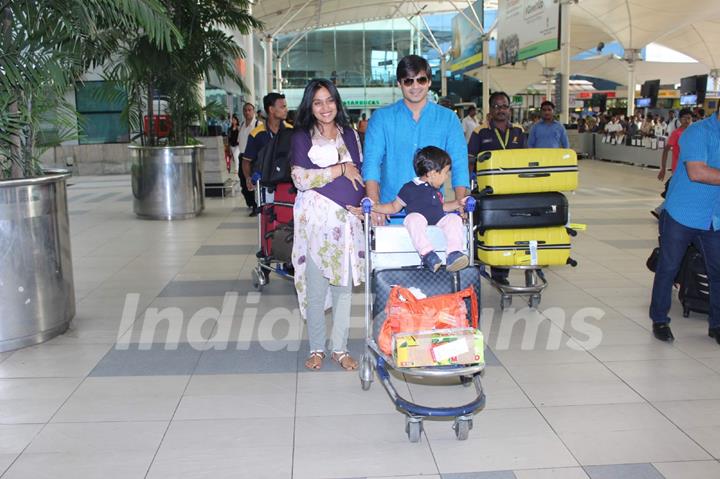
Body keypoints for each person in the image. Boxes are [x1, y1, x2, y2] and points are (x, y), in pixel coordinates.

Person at [290, 78, 366, 371]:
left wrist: (362, 205)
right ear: (310, 105)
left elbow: (359, 172)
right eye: (318, 102)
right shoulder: (301, 135)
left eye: (330, 100)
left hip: (348, 225)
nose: (325, 107)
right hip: (316, 225)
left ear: (337, 102)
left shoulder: (350, 134)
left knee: (343, 290)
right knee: (316, 287)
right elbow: (300, 179)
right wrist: (340, 169)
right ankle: (317, 348)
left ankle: (340, 349)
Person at [363, 54, 469, 227]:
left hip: (434, 215)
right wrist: (375, 206)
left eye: (421, 80)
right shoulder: (381, 118)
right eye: (408, 81)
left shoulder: (448, 119)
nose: (415, 86)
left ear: (428, 82)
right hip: (392, 216)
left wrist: (461, 202)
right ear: (399, 83)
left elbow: (459, 164)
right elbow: (371, 164)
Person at [649, 106, 720, 344]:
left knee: (717, 271)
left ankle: (717, 324)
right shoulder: (698, 132)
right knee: (669, 268)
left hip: (714, 218)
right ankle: (659, 319)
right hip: (683, 214)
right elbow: (697, 172)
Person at [353, 146, 469, 273]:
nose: (447, 177)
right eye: (445, 172)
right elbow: (393, 207)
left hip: (437, 223)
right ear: (432, 174)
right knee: (413, 218)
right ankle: (427, 254)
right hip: (420, 224)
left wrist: (458, 203)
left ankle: (453, 253)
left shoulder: (436, 191)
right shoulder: (409, 188)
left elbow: (442, 207)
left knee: (453, 218)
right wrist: (374, 206)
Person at [467, 91, 526, 285]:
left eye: (504, 106)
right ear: (490, 110)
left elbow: (527, 159)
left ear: (509, 109)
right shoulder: (480, 132)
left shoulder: (519, 131)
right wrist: (469, 187)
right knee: (489, 228)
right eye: (496, 106)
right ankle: (483, 262)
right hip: (488, 192)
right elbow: (470, 160)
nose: (501, 110)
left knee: (509, 229)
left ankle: (501, 275)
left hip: (513, 191)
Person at [242, 93, 290, 217]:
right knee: (267, 223)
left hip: (288, 186)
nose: (286, 109)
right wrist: (248, 178)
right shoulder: (256, 134)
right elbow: (246, 161)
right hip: (265, 187)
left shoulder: (291, 131)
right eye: (282, 106)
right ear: (271, 109)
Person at [653, 108, 693, 219]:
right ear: (680, 119)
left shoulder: (693, 132)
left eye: (689, 118)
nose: (687, 120)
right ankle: (662, 210)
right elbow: (666, 150)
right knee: (678, 191)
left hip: (691, 168)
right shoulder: (676, 134)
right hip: (679, 168)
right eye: (684, 118)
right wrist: (663, 168)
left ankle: (662, 210)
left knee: (678, 191)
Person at [236, 103, 261, 212]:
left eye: (250, 110)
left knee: (252, 181)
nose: (247, 112)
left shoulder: (258, 124)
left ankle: (256, 205)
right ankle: (250, 202)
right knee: (242, 180)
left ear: (253, 111)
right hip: (242, 157)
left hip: (252, 158)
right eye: (245, 110)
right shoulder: (242, 125)